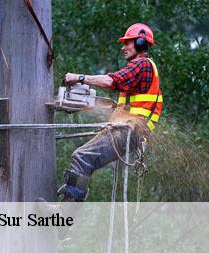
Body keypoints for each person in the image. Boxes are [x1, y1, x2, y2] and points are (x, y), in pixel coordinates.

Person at [59, 23, 163, 202]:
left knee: (82, 157)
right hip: (130, 132)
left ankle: (65, 211)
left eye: (128, 43)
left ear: (140, 43)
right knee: (85, 162)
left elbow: (111, 81)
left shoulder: (141, 64)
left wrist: (79, 78)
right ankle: (68, 205)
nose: (123, 48)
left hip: (129, 131)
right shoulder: (145, 70)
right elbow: (126, 104)